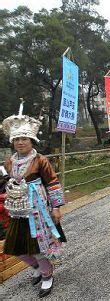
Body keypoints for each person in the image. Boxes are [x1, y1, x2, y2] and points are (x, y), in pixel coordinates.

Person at [2, 107, 66, 298]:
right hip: (17, 211)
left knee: (37, 247)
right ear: (13, 141)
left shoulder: (40, 160)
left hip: (37, 211)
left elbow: (53, 184)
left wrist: (56, 208)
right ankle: (39, 268)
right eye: (17, 139)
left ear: (32, 141)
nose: (20, 142)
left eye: (24, 139)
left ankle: (47, 275)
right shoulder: (9, 162)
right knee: (15, 248)